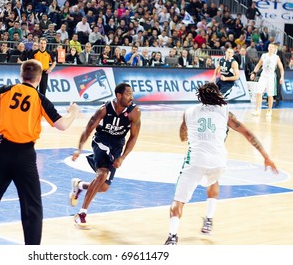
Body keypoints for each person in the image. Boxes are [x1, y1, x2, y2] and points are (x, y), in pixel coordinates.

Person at [0, 59, 79, 245]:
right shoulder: (39, 99)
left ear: (21, 75)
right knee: (32, 209)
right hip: (25, 156)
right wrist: (73, 112)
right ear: (38, 78)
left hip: (2, 152)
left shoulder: (8, 90)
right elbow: (62, 125)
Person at [164, 82, 278, 245]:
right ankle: (209, 219)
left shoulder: (189, 112)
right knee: (214, 180)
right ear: (217, 95)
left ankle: (172, 237)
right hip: (218, 162)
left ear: (200, 97)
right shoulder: (226, 113)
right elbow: (248, 134)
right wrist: (266, 156)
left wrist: (192, 134)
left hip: (195, 161)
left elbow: (183, 136)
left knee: (178, 200)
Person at [70, 83, 141, 228]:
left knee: (103, 187)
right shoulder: (103, 110)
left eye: (131, 93)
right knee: (102, 174)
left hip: (116, 147)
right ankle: (82, 214)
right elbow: (88, 129)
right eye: (128, 94)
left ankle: (79, 185)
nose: (131, 97)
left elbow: (133, 137)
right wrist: (79, 148)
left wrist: (122, 157)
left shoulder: (134, 112)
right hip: (101, 141)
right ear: (119, 95)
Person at [250, 43, 285, 117]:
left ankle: (269, 110)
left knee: (270, 95)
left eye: (272, 47)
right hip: (263, 76)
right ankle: (257, 109)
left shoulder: (276, 57)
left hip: (271, 77)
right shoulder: (264, 56)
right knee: (259, 93)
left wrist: (282, 77)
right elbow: (258, 65)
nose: (271, 48)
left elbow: (281, 68)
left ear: (275, 49)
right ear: (268, 48)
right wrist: (254, 73)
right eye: (270, 47)